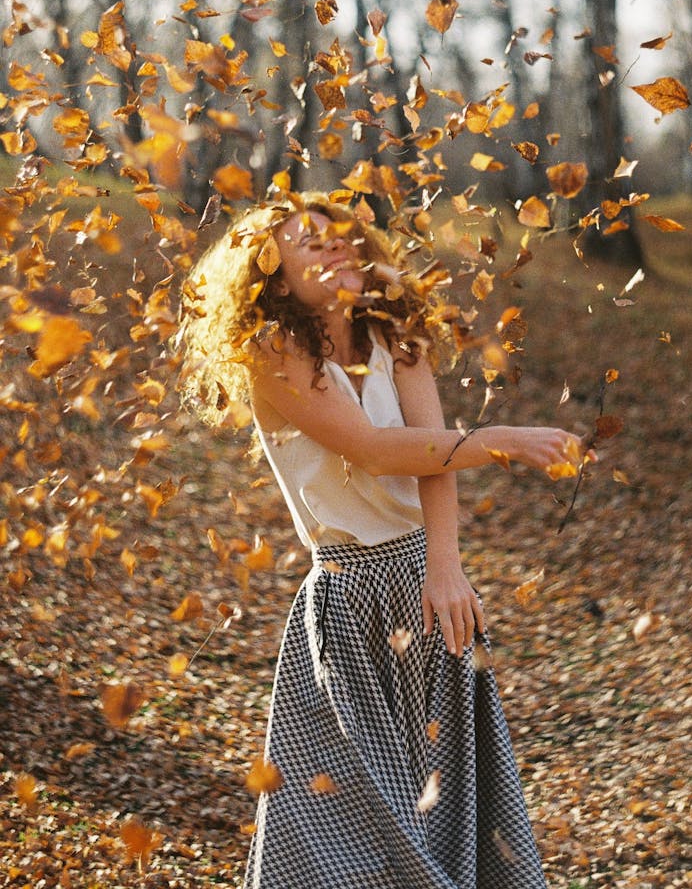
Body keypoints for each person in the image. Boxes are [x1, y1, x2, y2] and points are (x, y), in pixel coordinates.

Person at [176, 188, 588, 889]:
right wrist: (506, 440)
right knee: (353, 815)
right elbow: (377, 449)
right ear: (275, 275)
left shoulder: (396, 334)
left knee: (447, 802)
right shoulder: (271, 351)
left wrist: (447, 568)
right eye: (314, 242)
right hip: (349, 596)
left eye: (344, 236)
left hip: (429, 590)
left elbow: (436, 454)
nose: (339, 246)